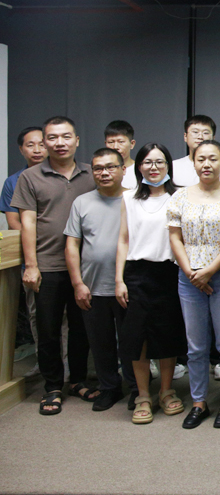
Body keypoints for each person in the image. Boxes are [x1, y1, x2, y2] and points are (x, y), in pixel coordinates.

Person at [11, 116, 96, 415]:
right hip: (47, 265)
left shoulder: (91, 173)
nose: (60, 143)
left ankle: (78, 380)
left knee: (81, 328)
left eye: (66, 136)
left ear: (77, 140)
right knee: (48, 330)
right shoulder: (30, 177)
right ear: (45, 142)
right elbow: (28, 223)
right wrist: (31, 265)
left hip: (85, 267)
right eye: (53, 137)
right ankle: (52, 387)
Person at [168, 139, 220, 429]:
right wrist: (191, 272)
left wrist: (209, 271)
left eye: (213, 159)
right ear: (194, 163)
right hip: (189, 278)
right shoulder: (180, 197)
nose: (207, 164)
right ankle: (199, 402)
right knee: (196, 346)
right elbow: (175, 237)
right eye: (201, 159)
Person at [116, 142, 187, 424]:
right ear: (139, 166)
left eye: (159, 162)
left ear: (168, 165)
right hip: (136, 274)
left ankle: (167, 391)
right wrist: (119, 279)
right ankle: (143, 395)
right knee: (138, 338)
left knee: (167, 334)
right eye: (147, 162)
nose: (153, 167)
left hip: (169, 273)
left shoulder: (180, 196)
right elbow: (123, 240)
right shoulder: (128, 198)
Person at [64, 148, 136, 411]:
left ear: (123, 170)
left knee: (131, 342)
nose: (104, 173)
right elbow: (72, 245)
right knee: (100, 342)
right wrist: (78, 283)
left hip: (129, 285)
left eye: (110, 167)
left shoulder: (135, 200)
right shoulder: (82, 202)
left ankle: (137, 389)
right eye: (98, 168)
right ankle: (109, 388)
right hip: (93, 286)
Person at [2, 126, 48, 379]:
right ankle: (43, 362)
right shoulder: (13, 182)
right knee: (35, 314)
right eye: (30, 145)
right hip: (31, 258)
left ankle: (74, 368)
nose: (37, 149)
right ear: (21, 149)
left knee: (70, 316)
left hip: (64, 255)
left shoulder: (61, 175)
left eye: (42, 143)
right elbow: (14, 224)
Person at [171, 115, 220, 187]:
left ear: (213, 138)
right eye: (195, 132)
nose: (200, 137)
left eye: (205, 133)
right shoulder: (173, 166)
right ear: (185, 136)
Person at [104, 120, 138, 190]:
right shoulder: (100, 172)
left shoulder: (141, 170)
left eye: (121, 142)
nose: (115, 147)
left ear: (132, 144)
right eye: (111, 142)